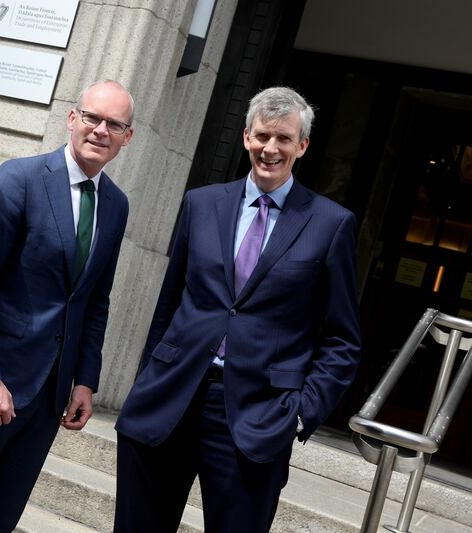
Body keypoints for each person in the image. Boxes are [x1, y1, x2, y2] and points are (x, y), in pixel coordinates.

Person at [114, 86, 361, 533]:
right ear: (246, 137)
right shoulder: (201, 203)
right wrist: (148, 378)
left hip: (259, 415)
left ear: (302, 146)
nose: (271, 148)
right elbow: (169, 303)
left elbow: (342, 339)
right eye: (263, 135)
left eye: (284, 139)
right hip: (169, 399)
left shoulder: (331, 224)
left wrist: (301, 412)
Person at [0, 80, 134, 532]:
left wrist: (85, 380)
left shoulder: (116, 204)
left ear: (126, 137)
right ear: (72, 119)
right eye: (92, 117)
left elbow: (95, 300)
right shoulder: (19, 179)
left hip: (51, 394)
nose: (100, 130)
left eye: (114, 124)